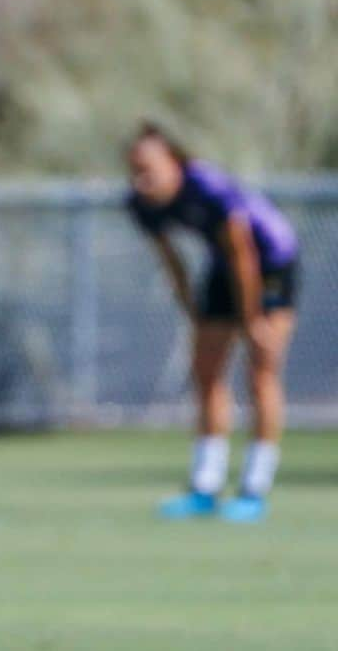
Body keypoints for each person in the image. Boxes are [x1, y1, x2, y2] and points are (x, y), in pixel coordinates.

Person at [126, 120, 299, 522]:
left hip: (270, 261)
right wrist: (190, 307)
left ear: (175, 162)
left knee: (261, 371)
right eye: (135, 169)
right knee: (205, 371)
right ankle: (206, 484)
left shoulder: (209, 189)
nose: (142, 178)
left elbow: (244, 253)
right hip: (224, 268)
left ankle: (255, 488)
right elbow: (170, 258)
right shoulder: (140, 202)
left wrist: (253, 319)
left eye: (150, 167)